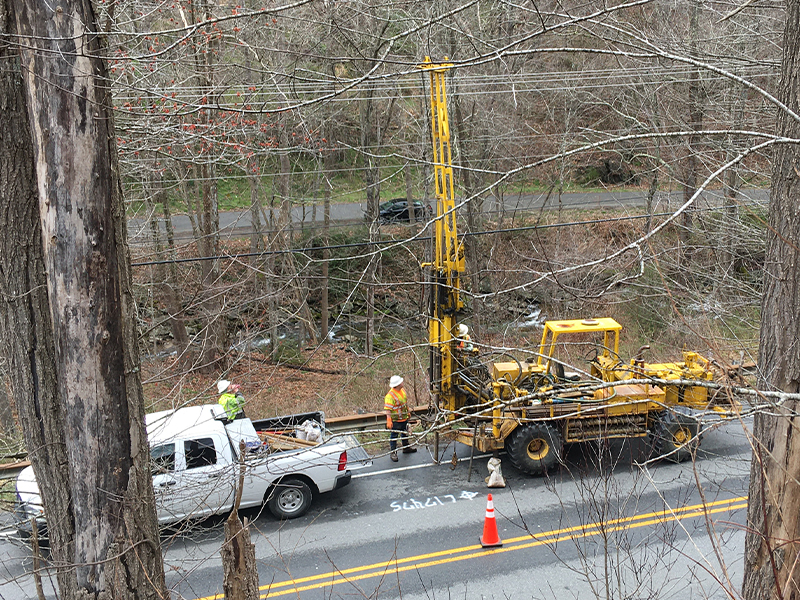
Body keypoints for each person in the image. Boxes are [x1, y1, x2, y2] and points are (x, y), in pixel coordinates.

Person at [384, 375, 416, 462]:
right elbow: (388, 409)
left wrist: (408, 412)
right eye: (401, 382)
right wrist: (389, 420)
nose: (403, 382)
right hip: (396, 420)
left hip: (403, 418)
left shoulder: (402, 391)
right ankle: (393, 452)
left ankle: (406, 447)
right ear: (398, 384)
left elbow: (404, 403)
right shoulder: (390, 396)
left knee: (404, 433)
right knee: (394, 436)